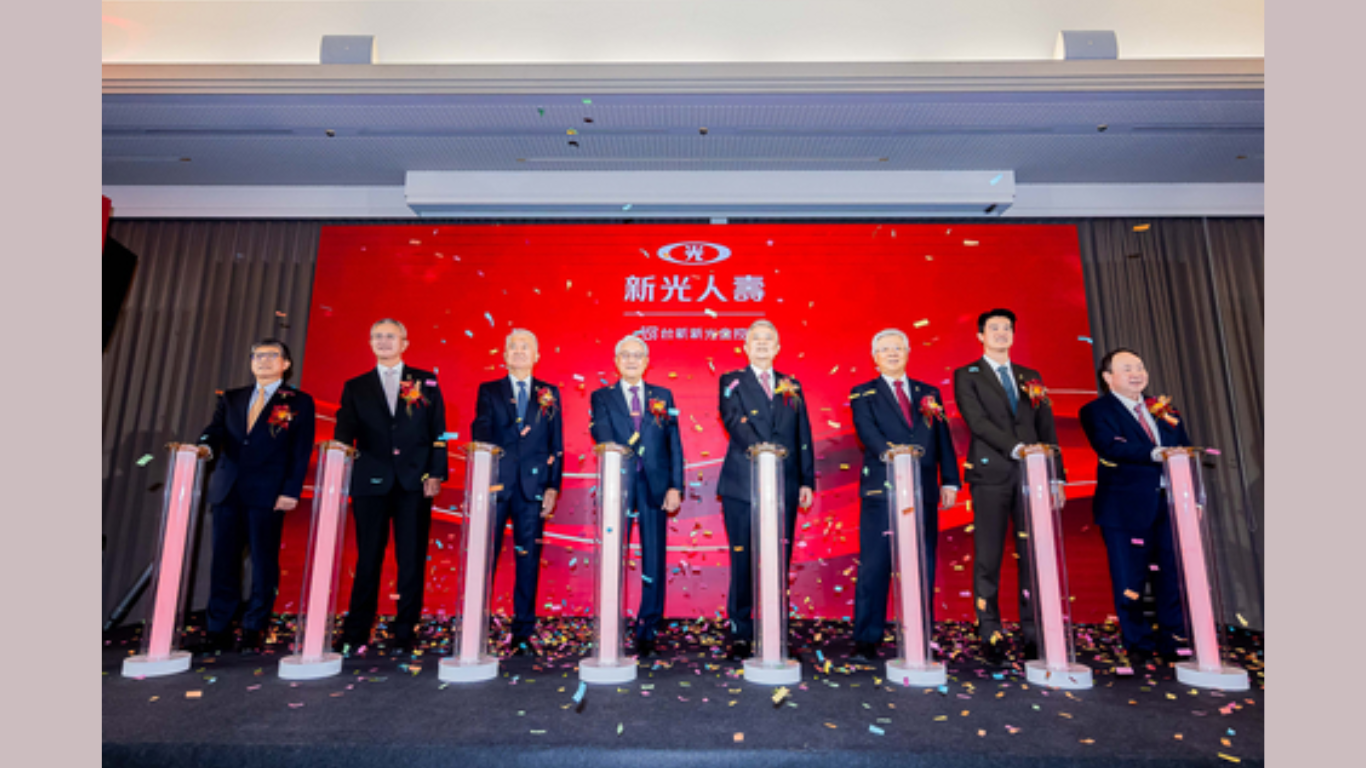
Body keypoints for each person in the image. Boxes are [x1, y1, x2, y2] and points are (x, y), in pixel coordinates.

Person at [951, 309, 1066, 665]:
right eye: (994, 328)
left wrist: (1056, 475)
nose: (1002, 333)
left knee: (1031, 556)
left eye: (1007, 328)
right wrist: (1016, 448)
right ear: (981, 336)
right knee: (988, 558)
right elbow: (977, 421)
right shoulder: (967, 375)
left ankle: (1033, 634)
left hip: (1032, 477)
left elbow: (1046, 426)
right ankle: (991, 634)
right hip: (991, 474)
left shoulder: (1030, 376)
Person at [333, 318, 448, 655]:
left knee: (410, 558)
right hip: (370, 481)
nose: (383, 342)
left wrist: (436, 474)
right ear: (370, 343)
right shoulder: (356, 386)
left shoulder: (426, 381)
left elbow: (438, 431)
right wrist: (338, 453)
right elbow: (344, 430)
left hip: (414, 482)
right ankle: (356, 630)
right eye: (377, 337)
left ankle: (405, 630)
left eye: (390, 337)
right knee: (368, 557)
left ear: (405, 343)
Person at [196, 338, 315, 654]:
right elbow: (215, 430)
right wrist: (204, 447)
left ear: (285, 364)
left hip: (269, 492)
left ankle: (254, 627)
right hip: (227, 488)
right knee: (223, 561)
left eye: (271, 356)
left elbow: (300, 452)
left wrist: (290, 490)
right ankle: (218, 629)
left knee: (263, 562)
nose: (263, 361)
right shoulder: (232, 398)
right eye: (257, 356)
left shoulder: (298, 401)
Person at [849, 329, 959, 662]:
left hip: (922, 489)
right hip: (881, 490)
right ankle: (867, 639)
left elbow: (942, 438)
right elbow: (867, 433)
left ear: (908, 352)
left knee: (921, 563)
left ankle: (918, 634)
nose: (892, 353)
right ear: (875, 357)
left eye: (898, 348)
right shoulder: (862, 392)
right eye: (885, 349)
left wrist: (950, 480)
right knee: (875, 565)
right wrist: (896, 455)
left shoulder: (929, 393)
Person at [1078, 348, 1191, 666]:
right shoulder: (1096, 410)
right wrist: (1157, 453)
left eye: (1140, 367)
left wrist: (1192, 498)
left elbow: (1183, 448)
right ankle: (1138, 642)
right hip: (1124, 508)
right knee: (1131, 578)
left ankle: (1174, 640)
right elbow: (1110, 446)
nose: (1136, 373)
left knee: (1172, 575)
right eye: (1127, 368)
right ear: (1108, 377)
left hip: (1169, 504)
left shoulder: (1164, 410)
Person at [717, 319, 815, 661]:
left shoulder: (792, 385)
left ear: (777, 348)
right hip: (742, 484)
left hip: (784, 483)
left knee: (778, 560)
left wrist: (806, 480)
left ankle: (776, 630)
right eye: (755, 339)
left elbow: (803, 433)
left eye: (768, 339)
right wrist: (766, 450)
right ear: (745, 346)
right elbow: (732, 420)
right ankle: (741, 633)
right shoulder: (731, 381)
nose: (761, 344)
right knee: (743, 559)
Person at [588, 335, 684, 658]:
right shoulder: (601, 396)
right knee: (615, 553)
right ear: (616, 361)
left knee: (653, 558)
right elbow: (600, 432)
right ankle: (611, 626)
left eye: (637, 355)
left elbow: (675, 445)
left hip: (655, 487)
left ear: (646, 361)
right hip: (619, 485)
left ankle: (648, 630)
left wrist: (675, 486)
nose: (631, 360)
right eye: (625, 355)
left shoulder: (663, 395)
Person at [471, 328, 564, 655]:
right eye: (513, 347)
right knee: (486, 558)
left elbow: (557, 444)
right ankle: (476, 626)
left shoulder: (549, 392)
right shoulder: (489, 390)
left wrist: (553, 485)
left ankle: (523, 630)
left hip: (533, 487)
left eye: (526, 347)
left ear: (537, 355)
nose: (519, 351)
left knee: (528, 560)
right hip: (496, 483)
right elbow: (480, 428)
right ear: (504, 355)